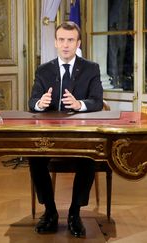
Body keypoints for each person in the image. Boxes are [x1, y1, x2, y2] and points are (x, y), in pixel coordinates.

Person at [28, 21, 103, 238]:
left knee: (89, 157)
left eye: (70, 40)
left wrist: (80, 105)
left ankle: (74, 213)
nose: (65, 45)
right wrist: (40, 103)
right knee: (34, 157)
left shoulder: (91, 68)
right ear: (55, 43)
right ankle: (50, 211)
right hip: (49, 134)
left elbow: (97, 101)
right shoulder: (44, 70)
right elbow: (32, 101)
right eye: (61, 40)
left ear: (78, 43)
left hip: (79, 133)